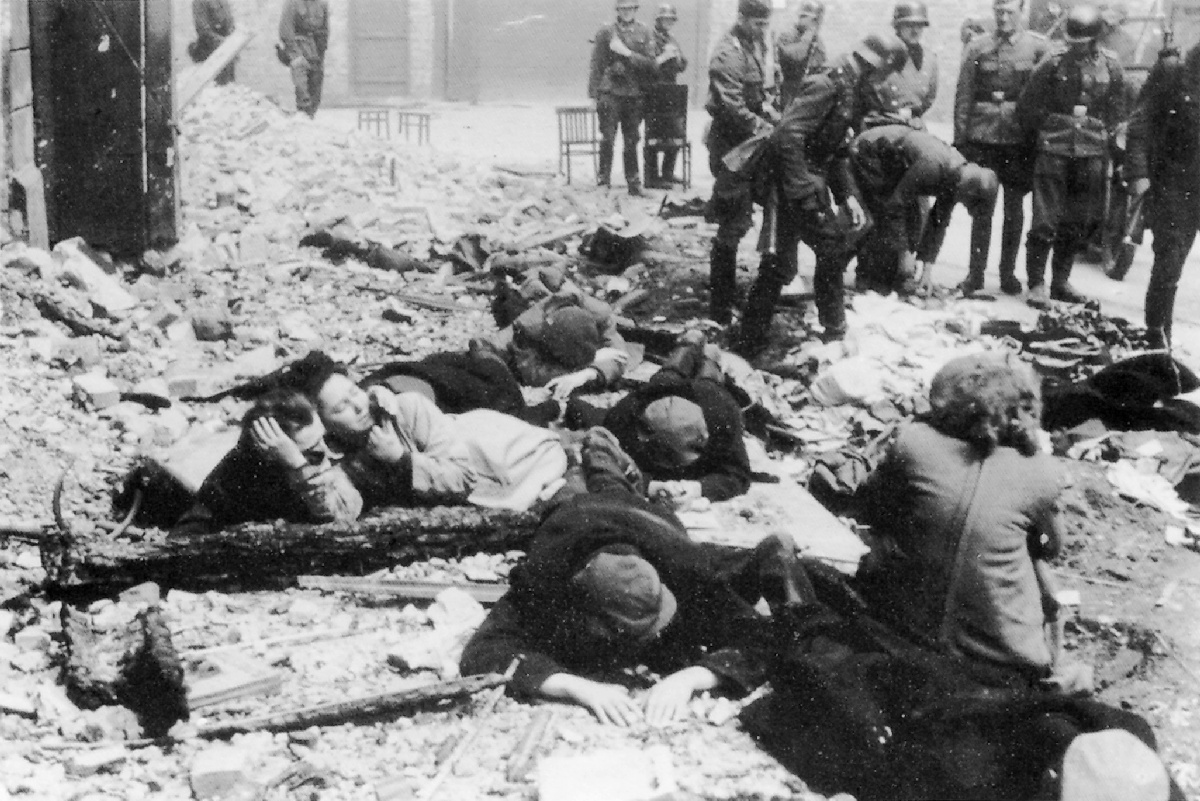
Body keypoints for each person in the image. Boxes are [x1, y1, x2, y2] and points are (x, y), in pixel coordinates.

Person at [460, 427, 817, 726]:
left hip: (647, 522)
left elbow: (762, 637)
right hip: (571, 516)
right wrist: (575, 686)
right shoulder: (545, 583)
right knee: (569, 486)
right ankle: (579, 457)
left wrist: (691, 678)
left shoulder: (683, 569)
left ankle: (600, 447)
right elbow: (484, 651)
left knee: (612, 482)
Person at [854, 351, 1066, 682]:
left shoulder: (914, 442)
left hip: (899, 633)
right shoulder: (1043, 473)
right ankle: (1054, 666)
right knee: (1036, 567)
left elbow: (871, 508)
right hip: (1001, 661)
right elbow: (1053, 547)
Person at [735, 34, 906, 353]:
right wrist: (802, 190)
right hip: (791, 180)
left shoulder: (849, 86)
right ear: (875, 65)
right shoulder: (828, 84)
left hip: (804, 178)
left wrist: (847, 196)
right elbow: (787, 135)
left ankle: (751, 339)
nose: (884, 82)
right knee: (827, 249)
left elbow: (836, 150)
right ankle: (830, 331)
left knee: (783, 262)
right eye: (885, 73)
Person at [286, 352, 574, 513]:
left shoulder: (406, 408)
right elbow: (338, 514)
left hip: (512, 457)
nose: (358, 406)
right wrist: (296, 463)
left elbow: (463, 477)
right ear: (323, 422)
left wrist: (401, 460)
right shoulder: (339, 459)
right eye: (341, 408)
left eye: (354, 393)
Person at [1016, 3, 1127, 305]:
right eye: (1072, 42)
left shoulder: (1111, 66)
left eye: (1082, 43)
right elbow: (1027, 106)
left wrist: (1106, 138)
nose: (1076, 47)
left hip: (1091, 153)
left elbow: (1118, 110)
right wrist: (1046, 132)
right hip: (1054, 150)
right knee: (1044, 221)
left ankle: (1060, 282)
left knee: (1076, 222)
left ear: (1094, 40)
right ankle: (1036, 283)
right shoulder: (1053, 62)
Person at [953, 0, 1051, 295]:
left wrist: (1037, 137)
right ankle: (976, 275)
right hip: (982, 137)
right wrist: (961, 140)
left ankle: (1007, 274)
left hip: (1019, 140)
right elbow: (964, 95)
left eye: (1009, 12)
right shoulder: (977, 47)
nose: (1003, 18)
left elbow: (1044, 96)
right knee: (982, 207)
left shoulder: (1037, 48)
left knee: (1014, 210)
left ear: (1021, 11)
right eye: (999, 12)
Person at [176, 389, 362, 532]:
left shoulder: (322, 455)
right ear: (273, 457)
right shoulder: (234, 478)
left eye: (326, 440)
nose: (328, 453)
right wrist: (299, 467)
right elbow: (189, 532)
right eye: (314, 453)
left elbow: (347, 514)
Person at [850, 125, 1000, 296]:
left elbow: (938, 222)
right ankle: (862, 275)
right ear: (969, 192)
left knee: (911, 225)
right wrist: (904, 253)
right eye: (967, 204)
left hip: (893, 159)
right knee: (882, 215)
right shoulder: (934, 167)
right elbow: (895, 205)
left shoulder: (957, 177)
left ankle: (887, 274)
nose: (964, 206)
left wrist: (926, 272)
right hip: (869, 151)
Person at [603, 331, 752, 501]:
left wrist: (699, 488)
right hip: (661, 388)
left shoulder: (722, 414)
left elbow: (739, 473)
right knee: (671, 371)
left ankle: (707, 353)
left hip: (707, 393)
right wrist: (648, 484)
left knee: (708, 376)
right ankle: (689, 344)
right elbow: (604, 461)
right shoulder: (623, 416)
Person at [704, 0, 776, 326]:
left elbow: (757, 94)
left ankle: (730, 292)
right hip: (732, 147)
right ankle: (719, 306)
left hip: (751, 144)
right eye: (758, 23)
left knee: (748, 215)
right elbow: (732, 107)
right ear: (742, 18)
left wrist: (769, 110)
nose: (763, 29)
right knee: (733, 221)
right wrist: (762, 124)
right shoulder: (727, 53)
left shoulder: (753, 45)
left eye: (765, 23)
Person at [1125, 41, 1199, 349]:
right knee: (1169, 261)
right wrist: (1139, 174)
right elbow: (1140, 125)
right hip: (1173, 183)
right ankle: (1156, 335)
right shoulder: (1173, 73)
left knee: (1175, 261)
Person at [488, 265, 631, 399]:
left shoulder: (600, 314)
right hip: (526, 309)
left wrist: (589, 373)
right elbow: (533, 373)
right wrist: (588, 363)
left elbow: (619, 356)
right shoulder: (527, 327)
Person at [589, 0, 657, 195]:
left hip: (633, 95)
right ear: (617, 10)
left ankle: (634, 184)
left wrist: (627, 53)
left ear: (635, 9)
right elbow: (596, 65)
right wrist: (594, 96)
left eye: (630, 8)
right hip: (610, 93)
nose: (627, 12)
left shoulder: (644, 32)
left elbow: (651, 65)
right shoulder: (606, 32)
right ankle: (603, 182)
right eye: (623, 8)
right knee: (607, 139)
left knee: (631, 140)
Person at [859, 1, 938, 131]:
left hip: (914, 125)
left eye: (919, 26)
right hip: (881, 124)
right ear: (898, 26)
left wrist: (913, 115)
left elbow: (929, 98)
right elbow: (865, 90)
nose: (915, 30)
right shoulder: (881, 52)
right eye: (909, 25)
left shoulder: (929, 59)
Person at [644, 3, 689, 189]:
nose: (668, 23)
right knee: (654, 135)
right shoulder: (650, 38)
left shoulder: (672, 39)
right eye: (665, 19)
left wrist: (677, 57)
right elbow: (647, 66)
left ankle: (668, 173)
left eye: (671, 20)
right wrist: (664, 55)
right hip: (654, 91)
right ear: (658, 20)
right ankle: (652, 177)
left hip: (671, 91)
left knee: (676, 131)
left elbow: (682, 65)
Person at [278, 0, 329, 118]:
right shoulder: (292, 3)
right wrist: (295, 55)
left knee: (315, 92)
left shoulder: (322, 4)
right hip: (298, 50)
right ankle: (303, 115)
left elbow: (324, 31)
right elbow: (285, 30)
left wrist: (320, 55)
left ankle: (310, 117)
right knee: (302, 91)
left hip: (315, 53)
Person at [774, 0, 827, 111]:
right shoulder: (787, 36)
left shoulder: (817, 41)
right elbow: (797, 56)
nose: (817, 24)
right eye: (814, 20)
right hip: (791, 95)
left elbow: (822, 67)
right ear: (801, 17)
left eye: (819, 20)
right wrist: (808, 35)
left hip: (810, 95)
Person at [189, 0, 236, 85]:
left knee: (229, 85)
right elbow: (203, 30)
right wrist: (224, 42)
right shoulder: (199, 2)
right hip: (210, 49)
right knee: (215, 86)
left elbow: (229, 21)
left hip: (227, 49)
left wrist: (233, 36)